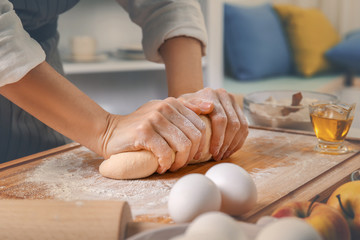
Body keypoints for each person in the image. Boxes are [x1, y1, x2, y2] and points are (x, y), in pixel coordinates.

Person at [0, 0, 248, 174]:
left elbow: (169, 3)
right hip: (25, 75)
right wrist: (106, 129)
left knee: (42, 182)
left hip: (40, 76)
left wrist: (189, 111)